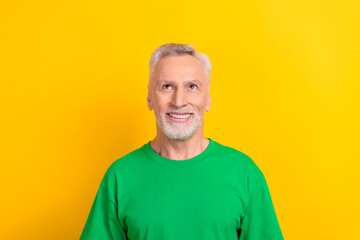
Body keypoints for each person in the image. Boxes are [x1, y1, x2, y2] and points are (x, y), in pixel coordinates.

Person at [79, 43, 284, 240]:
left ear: (208, 99)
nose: (179, 101)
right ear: (150, 98)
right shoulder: (120, 175)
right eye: (167, 86)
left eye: (192, 87)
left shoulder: (244, 172)